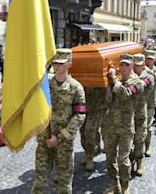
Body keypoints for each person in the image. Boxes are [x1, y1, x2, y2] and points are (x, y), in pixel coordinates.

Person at [31, 48, 86, 194]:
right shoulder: (45, 85)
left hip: (63, 143)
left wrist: (60, 137)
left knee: (64, 182)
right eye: (55, 63)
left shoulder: (76, 88)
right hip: (44, 140)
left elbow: (79, 115)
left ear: (69, 64)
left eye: (61, 63)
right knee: (40, 181)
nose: (57, 66)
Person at [102, 54, 143, 194]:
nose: (124, 68)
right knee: (109, 158)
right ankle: (115, 185)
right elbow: (109, 100)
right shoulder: (117, 81)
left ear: (132, 66)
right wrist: (108, 87)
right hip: (111, 125)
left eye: (127, 65)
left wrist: (113, 79)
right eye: (122, 65)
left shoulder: (138, 83)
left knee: (123, 159)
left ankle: (125, 186)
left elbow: (125, 94)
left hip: (126, 127)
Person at [131, 54, 155, 176]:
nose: (136, 68)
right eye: (134, 65)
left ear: (143, 65)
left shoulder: (148, 77)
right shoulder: (126, 77)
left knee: (139, 140)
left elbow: (138, 86)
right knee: (129, 141)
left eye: (139, 65)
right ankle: (130, 162)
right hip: (128, 115)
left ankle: (139, 162)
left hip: (141, 114)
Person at [80, 87, 111, 171]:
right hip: (82, 103)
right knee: (82, 131)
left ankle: (90, 157)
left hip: (97, 103)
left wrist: (108, 90)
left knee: (89, 131)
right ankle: (87, 152)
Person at [144, 50, 156, 156]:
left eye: (151, 58)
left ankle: (148, 145)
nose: (149, 60)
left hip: (150, 101)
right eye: (147, 58)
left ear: (155, 59)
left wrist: (146, 69)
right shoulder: (139, 68)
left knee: (148, 126)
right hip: (138, 102)